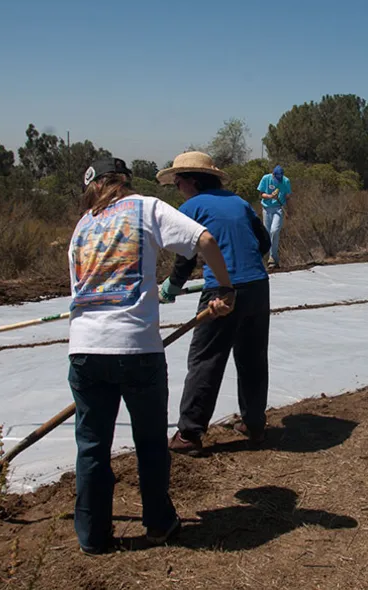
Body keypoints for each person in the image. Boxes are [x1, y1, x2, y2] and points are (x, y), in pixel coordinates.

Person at [67, 157, 235, 555]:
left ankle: (93, 536)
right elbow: (205, 241)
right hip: (135, 348)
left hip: (85, 350)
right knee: (149, 443)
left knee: (91, 447)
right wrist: (224, 288)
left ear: (93, 186)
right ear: (124, 182)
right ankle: (159, 524)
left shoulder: (81, 227)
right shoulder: (146, 207)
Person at [156, 151, 272, 456]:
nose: (177, 187)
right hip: (258, 286)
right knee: (252, 358)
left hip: (222, 291)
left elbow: (187, 253)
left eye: (178, 182)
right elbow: (264, 243)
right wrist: (241, 263)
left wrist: (172, 285)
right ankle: (255, 425)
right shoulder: (239, 202)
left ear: (192, 181)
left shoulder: (192, 206)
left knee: (206, 359)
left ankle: (189, 435)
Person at [257, 164, 291, 268]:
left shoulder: (286, 181)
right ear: (273, 174)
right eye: (276, 177)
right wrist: (270, 196)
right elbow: (261, 194)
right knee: (267, 233)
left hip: (279, 208)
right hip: (267, 209)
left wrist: (289, 210)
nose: (278, 179)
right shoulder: (266, 178)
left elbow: (288, 196)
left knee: (274, 231)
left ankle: (273, 257)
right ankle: (268, 259)